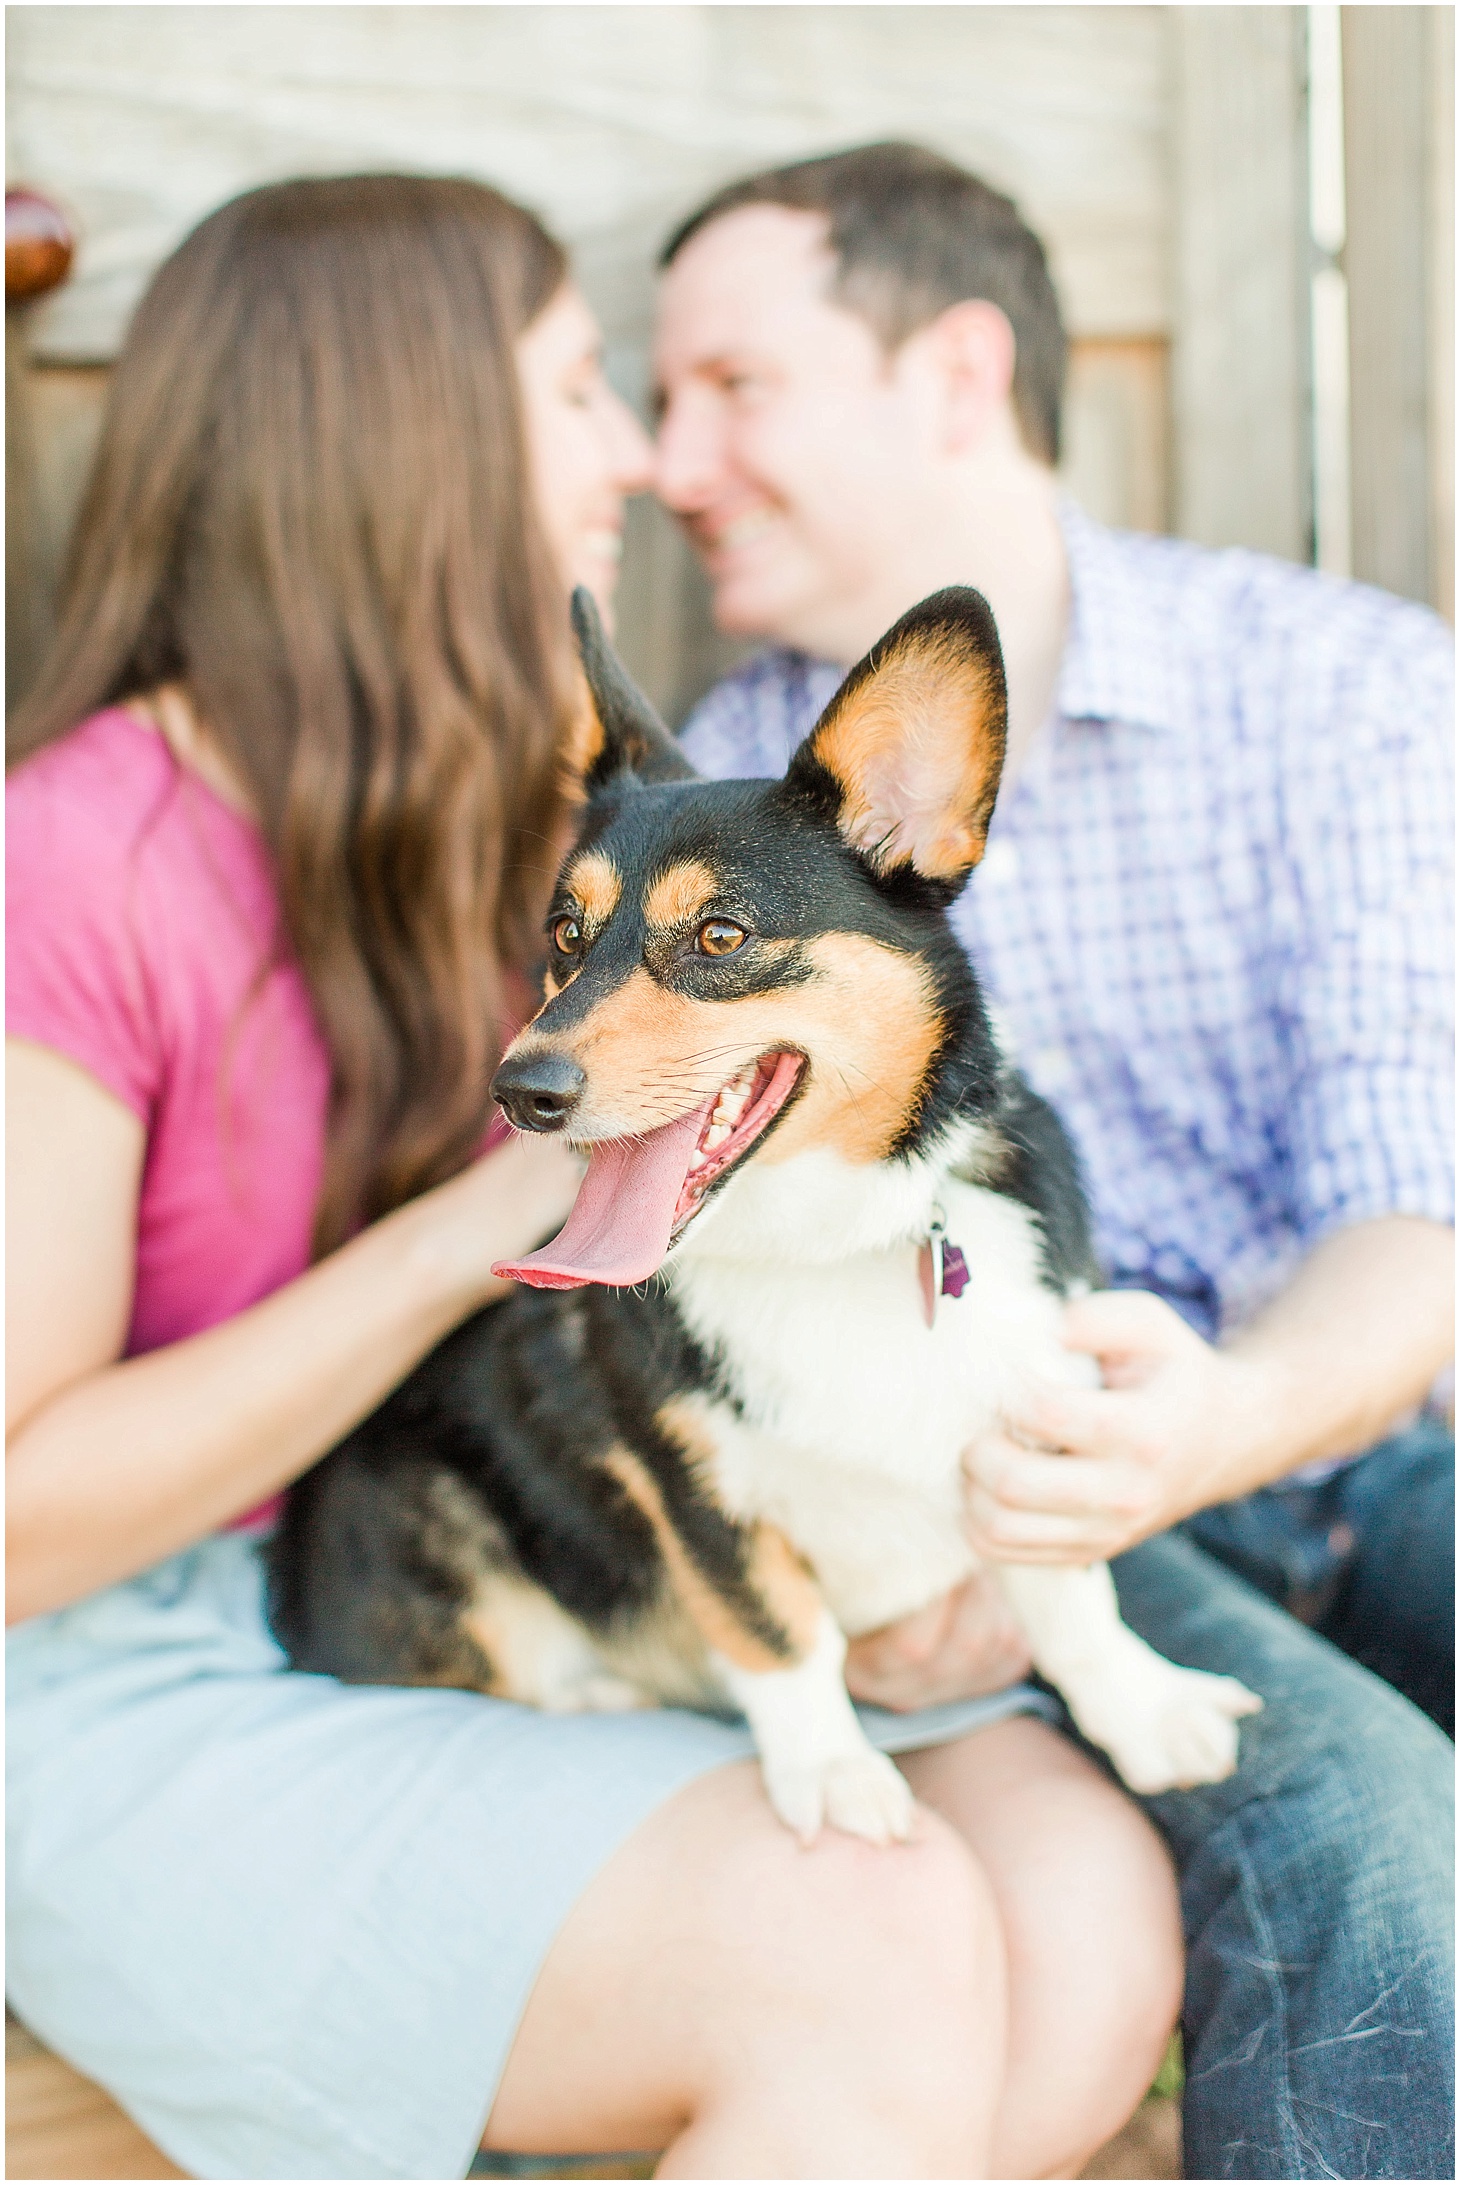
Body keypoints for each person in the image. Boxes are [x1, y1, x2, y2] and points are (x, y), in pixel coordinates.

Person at [7, 172, 1183, 2183]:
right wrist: (485, 1221)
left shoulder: (573, 820)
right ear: (391, 431)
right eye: (580, 390)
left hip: (588, 1545)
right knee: (871, 1951)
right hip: (157, 1638)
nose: (642, 453)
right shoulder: (68, 864)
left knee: (1086, 1939)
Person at [651, 141, 1456, 2181]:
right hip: (1018, 1492)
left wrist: (1244, 1411)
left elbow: (1416, 1189)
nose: (671, 462)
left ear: (953, 371)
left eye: (732, 388)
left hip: (1345, 1414)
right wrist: (904, 1545)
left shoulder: (1341, 682)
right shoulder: (697, 842)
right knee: (1361, 1851)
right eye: (662, 402)